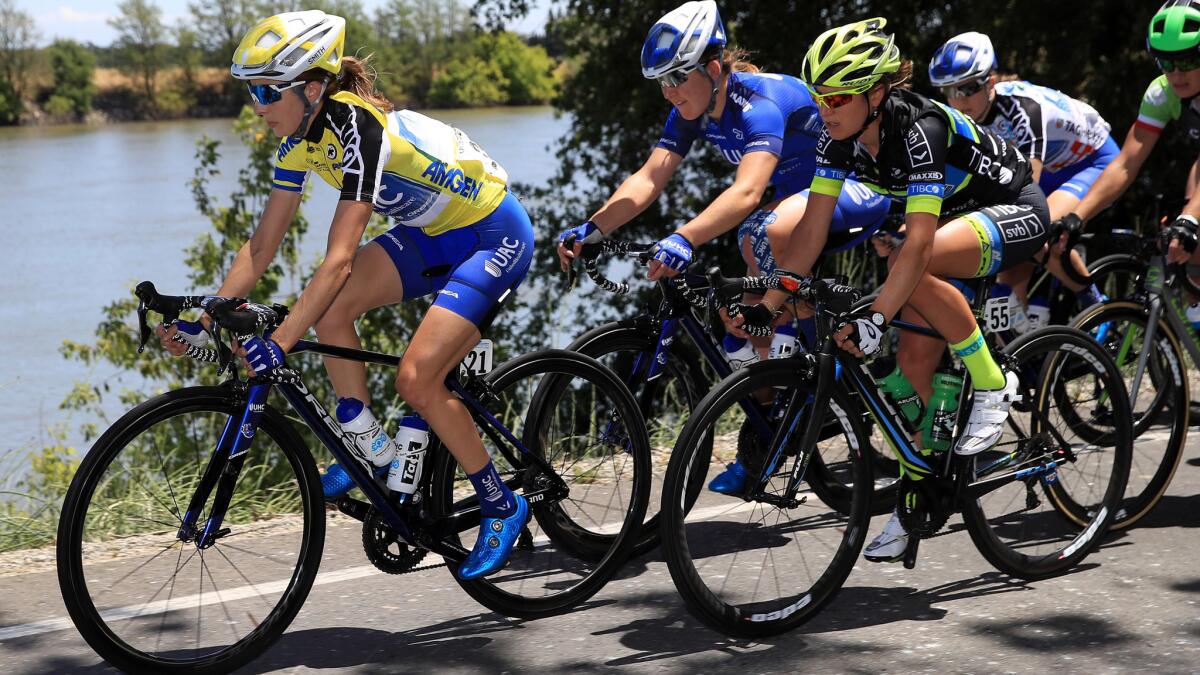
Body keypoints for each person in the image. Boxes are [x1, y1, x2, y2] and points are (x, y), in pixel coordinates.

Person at [156, 11, 534, 580]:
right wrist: (206, 318)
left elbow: (337, 260)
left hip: (492, 234)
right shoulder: (297, 141)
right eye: (250, 91)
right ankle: (368, 449)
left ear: (311, 89)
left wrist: (280, 341)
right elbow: (261, 246)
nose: (256, 105)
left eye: (265, 91)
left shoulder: (358, 129)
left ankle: (502, 504)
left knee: (416, 379)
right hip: (432, 234)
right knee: (332, 314)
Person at [736, 18, 1049, 562]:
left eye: (837, 97)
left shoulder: (919, 127)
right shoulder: (838, 139)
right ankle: (917, 500)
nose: (824, 109)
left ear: (877, 93)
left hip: (1014, 208)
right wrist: (770, 303)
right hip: (944, 223)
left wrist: (876, 316)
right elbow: (812, 229)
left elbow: (922, 244)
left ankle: (994, 381)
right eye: (817, 97)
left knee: (906, 266)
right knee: (910, 375)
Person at [555, 0, 890, 493]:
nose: (668, 93)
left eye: (676, 78)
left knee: (759, 232)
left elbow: (749, 191)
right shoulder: (695, 107)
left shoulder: (760, 102)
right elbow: (650, 177)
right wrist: (593, 228)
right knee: (735, 315)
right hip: (798, 207)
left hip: (861, 190)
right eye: (661, 83)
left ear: (712, 68)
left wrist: (684, 237)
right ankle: (771, 433)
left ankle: (803, 381)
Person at [929, 31, 1114, 321]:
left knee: (1041, 229)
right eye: (948, 91)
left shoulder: (1024, 109)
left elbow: (1027, 192)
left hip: (1090, 161)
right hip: (1050, 168)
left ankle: (1099, 308)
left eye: (965, 89)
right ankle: (1027, 349)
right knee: (1006, 270)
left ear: (989, 81)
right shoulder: (966, 119)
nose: (957, 100)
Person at [1059, 0, 1200, 282]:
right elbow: (1126, 163)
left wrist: (1190, 218)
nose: (1175, 74)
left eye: (1186, 61)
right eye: (1165, 62)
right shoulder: (1161, 94)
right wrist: (1077, 217)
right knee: (1183, 250)